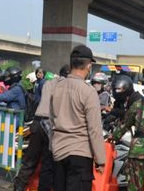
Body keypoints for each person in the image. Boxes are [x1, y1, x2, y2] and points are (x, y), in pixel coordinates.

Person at [50, 45, 106, 191]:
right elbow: (94, 129)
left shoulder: (56, 87)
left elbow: (50, 120)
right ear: (89, 65)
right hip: (80, 154)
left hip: (58, 152)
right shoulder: (88, 92)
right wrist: (100, 160)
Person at [13, 65, 70, 191]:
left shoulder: (48, 83)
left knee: (29, 161)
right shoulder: (68, 87)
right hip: (51, 127)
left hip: (37, 123)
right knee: (47, 165)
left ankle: (18, 188)